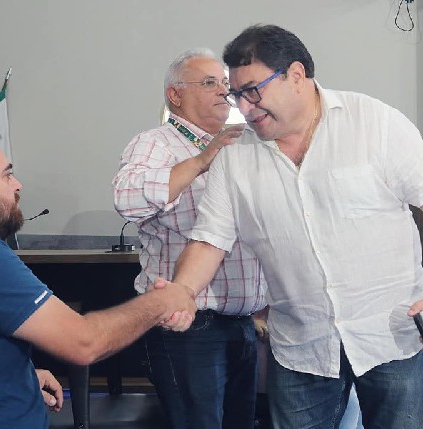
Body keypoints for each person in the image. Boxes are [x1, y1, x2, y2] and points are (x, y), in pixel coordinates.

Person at [169, 25, 423, 428]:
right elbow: (209, 241)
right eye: (236, 95)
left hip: (389, 335)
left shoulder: (372, 122)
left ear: (295, 75)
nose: (245, 108)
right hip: (301, 347)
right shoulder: (235, 158)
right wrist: (183, 291)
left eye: (253, 91)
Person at [0, 126, 197, 428]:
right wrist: (162, 300)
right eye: (7, 174)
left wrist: (15, 375)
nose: (17, 185)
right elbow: (85, 343)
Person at [112, 48, 266, 429]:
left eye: (225, 83)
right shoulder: (156, 144)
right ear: (175, 95)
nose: (224, 91)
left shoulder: (243, 144)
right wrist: (200, 161)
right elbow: (126, 199)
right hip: (189, 326)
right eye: (210, 82)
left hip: (243, 323)